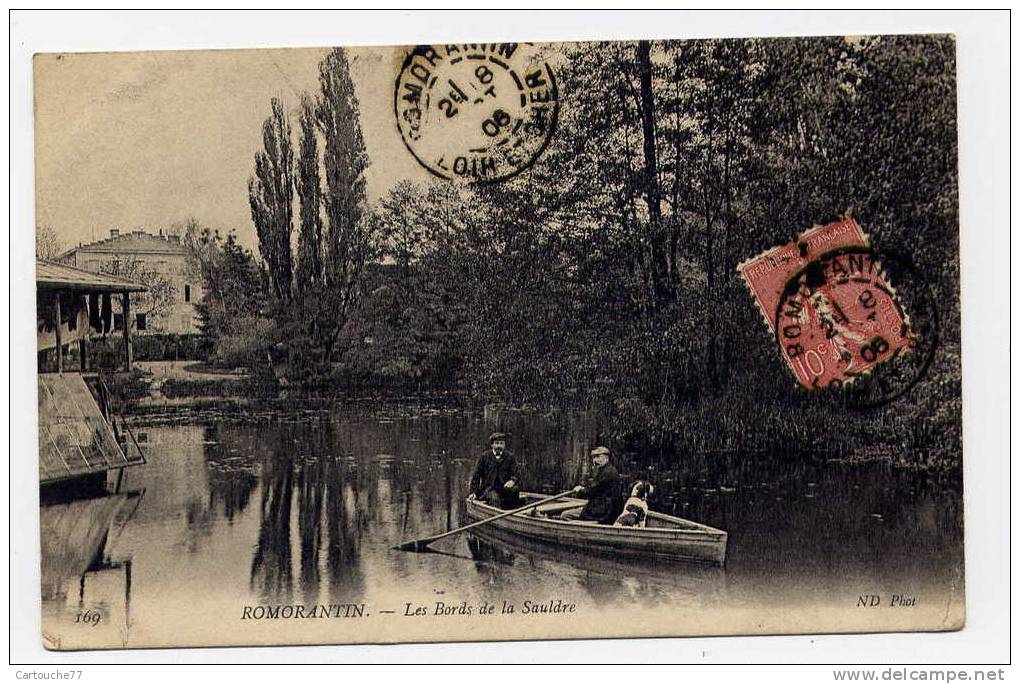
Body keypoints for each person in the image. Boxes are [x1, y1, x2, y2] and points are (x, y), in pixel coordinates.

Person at [562, 446, 625, 524]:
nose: (595, 460)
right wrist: (583, 488)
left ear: (606, 458)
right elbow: (596, 487)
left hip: (602, 513)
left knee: (565, 515)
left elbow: (592, 490)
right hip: (604, 509)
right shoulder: (607, 470)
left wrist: (581, 490)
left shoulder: (607, 473)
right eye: (594, 458)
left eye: (598, 457)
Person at [467, 432, 521, 509]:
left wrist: (512, 481)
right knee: (494, 498)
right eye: (496, 443)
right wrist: (473, 492)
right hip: (489, 489)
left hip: (504, 489)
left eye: (501, 443)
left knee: (515, 490)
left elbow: (516, 473)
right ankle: (497, 517)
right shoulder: (484, 457)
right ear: (492, 445)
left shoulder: (510, 457)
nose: (499, 446)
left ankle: (513, 514)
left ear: (504, 445)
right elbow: (476, 476)